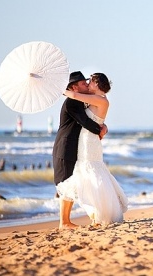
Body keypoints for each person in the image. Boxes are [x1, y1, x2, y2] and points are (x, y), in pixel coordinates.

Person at [56, 73, 128, 226]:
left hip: (89, 141)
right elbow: (91, 117)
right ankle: (95, 214)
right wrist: (103, 127)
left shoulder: (98, 99)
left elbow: (75, 95)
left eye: (90, 81)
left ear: (97, 84)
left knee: (90, 172)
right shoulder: (94, 99)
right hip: (85, 140)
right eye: (85, 82)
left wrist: (57, 89)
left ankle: (98, 214)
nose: (88, 83)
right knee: (87, 173)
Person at [53, 71, 108, 230]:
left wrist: (102, 126)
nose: (86, 84)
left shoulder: (81, 101)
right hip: (65, 147)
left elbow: (92, 117)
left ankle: (66, 221)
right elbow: (86, 122)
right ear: (74, 87)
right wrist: (100, 129)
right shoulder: (72, 102)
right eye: (83, 83)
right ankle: (64, 222)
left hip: (72, 147)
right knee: (65, 183)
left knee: (69, 182)